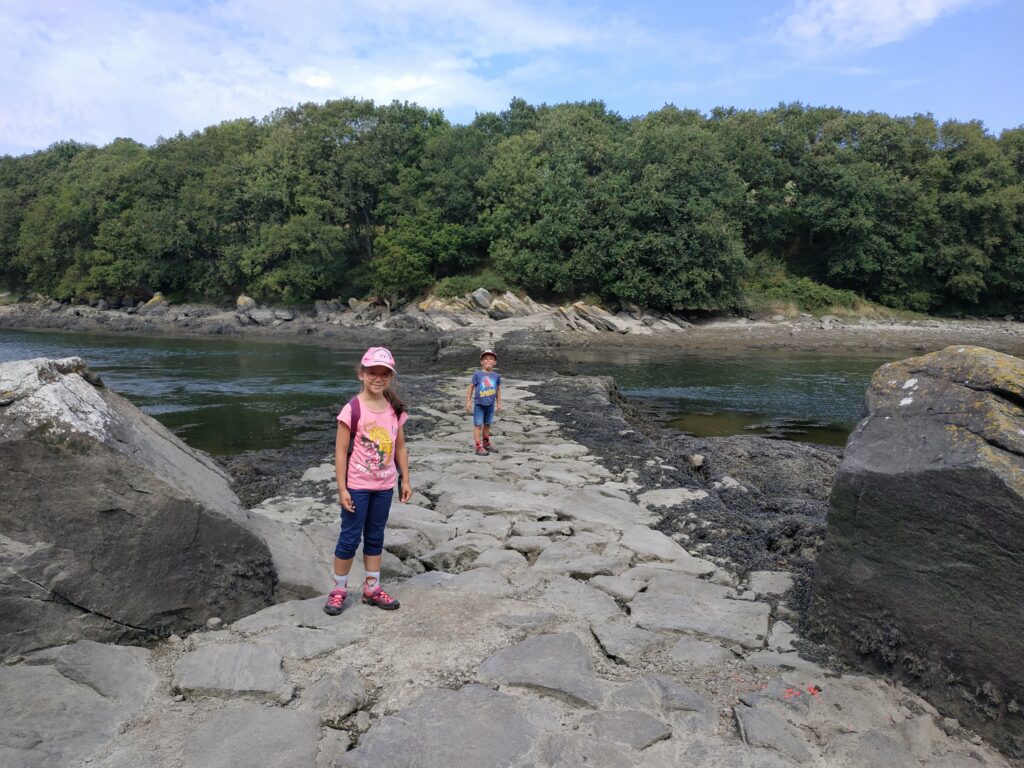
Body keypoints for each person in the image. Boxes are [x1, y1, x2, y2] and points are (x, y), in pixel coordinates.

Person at [324, 346, 411, 616]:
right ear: (361, 374)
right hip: (358, 486)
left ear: (391, 377)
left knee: (375, 536)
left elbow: (399, 448)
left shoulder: (394, 409)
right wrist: (342, 488)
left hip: (383, 486)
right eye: (372, 372)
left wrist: (405, 479)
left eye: (385, 374)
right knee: (349, 538)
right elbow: (340, 450)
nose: (378, 378)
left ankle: (372, 588)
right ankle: (339, 589)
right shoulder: (352, 409)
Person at [465, 349, 502, 456]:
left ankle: (486, 443)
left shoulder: (496, 376)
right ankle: (478, 446)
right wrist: (468, 401)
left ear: (495, 362)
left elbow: (498, 389)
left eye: (491, 359)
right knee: (478, 425)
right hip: (479, 405)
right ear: (481, 362)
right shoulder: (477, 374)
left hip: (490, 405)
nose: (488, 361)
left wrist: (499, 403)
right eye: (485, 359)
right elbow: (471, 387)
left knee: (487, 424)